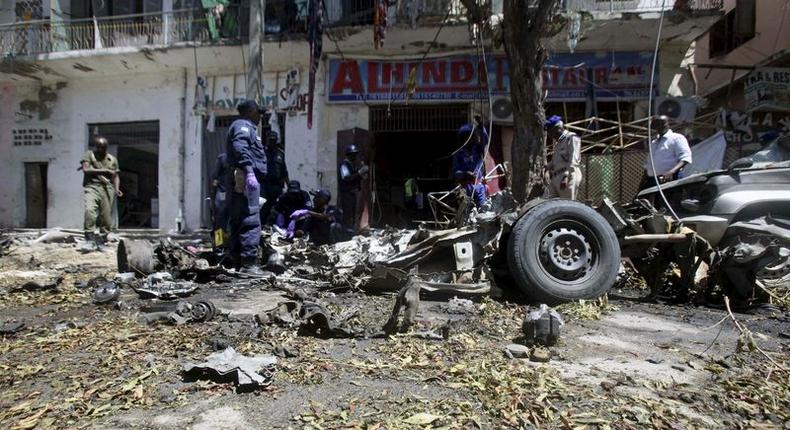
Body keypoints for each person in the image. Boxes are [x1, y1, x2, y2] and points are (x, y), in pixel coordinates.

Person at [226, 99, 267, 274]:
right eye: (258, 112)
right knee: (250, 219)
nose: (260, 116)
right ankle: (249, 265)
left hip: (242, 175)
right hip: (244, 176)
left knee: (238, 219)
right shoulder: (243, 125)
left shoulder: (241, 125)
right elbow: (240, 146)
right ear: (251, 111)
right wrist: (249, 172)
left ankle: (238, 263)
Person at [80, 136, 122, 241]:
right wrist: (105, 171)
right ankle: (89, 236)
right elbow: (86, 169)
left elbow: (116, 176)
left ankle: (104, 238)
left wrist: (117, 188)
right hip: (92, 186)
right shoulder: (89, 155)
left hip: (107, 188)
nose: (100, 150)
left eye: (102, 147)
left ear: (106, 147)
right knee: (90, 210)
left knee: (106, 216)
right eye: (98, 147)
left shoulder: (112, 160)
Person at [639, 115, 692, 191]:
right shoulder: (654, 143)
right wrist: (643, 181)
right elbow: (648, 164)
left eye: (663, 123)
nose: (660, 126)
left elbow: (685, 158)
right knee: (648, 201)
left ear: (668, 124)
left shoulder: (676, 138)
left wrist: (671, 172)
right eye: (657, 125)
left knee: (668, 201)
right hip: (652, 180)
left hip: (670, 179)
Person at [543, 115, 582, 200]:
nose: (549, 134)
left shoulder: (572, 138)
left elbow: (573, 160)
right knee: (545, 201)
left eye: (550, 130)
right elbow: (556, 162)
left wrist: (565, 177)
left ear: (558, 129)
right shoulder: (558, 143)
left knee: (567, 204)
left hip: (568, 176)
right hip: (556, 177)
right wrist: (547, 167)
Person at [338, 144, 368, 232]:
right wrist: (359, 172)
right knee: (347, 214)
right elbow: (346, 178)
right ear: (349, 155)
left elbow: (354, 177)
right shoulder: (344, 165)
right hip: (346, 193)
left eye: (355, 154)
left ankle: (351, 231)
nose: (355, 156)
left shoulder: (352, 165)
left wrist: (361, 176)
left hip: (352, 193)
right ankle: (346, 233)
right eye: (353, 154)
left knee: (353, 213)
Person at [261, 131, 289, 225]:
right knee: (264, 209)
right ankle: (262, 228)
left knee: (277, 209)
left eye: (274, 140)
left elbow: (284, 171)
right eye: (270, 140)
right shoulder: (261, 153)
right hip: (265, 186)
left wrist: (288, 186)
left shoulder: (280, 154)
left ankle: (274, 229)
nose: (272, 142)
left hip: (277, 187)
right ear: (267, 140)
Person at [211, 153, 231, 243]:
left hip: (235, 196)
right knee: (219, 222)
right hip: (223, 194)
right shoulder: (223, 158)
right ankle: (218, 245)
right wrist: (213, 195)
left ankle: (230, 246)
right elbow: (215, 178)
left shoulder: (241, 158)